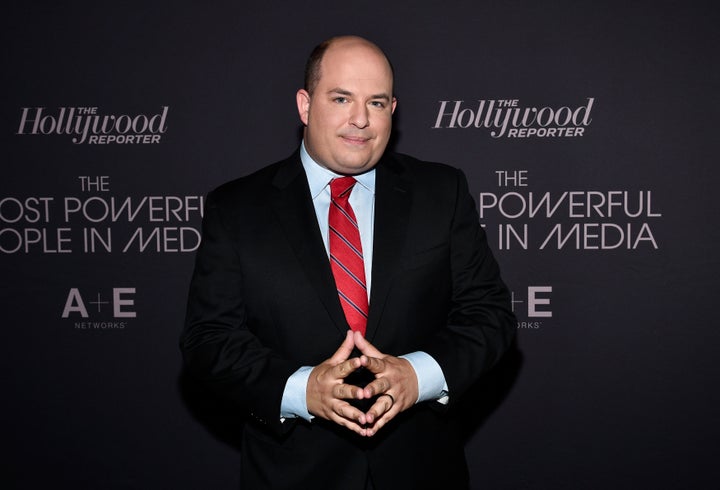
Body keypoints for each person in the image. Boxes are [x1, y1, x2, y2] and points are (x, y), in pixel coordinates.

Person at [181, 35, 516, 489]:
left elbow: (490, 315)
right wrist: (303, 390)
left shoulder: (441, 192)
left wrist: (418, 376)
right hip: (293, 476)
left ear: (393, 111)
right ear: (305, 104)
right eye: (342, 98)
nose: (360, 119)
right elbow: (208, 338)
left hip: (422, 472)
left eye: (376, 103)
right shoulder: (237, 209)